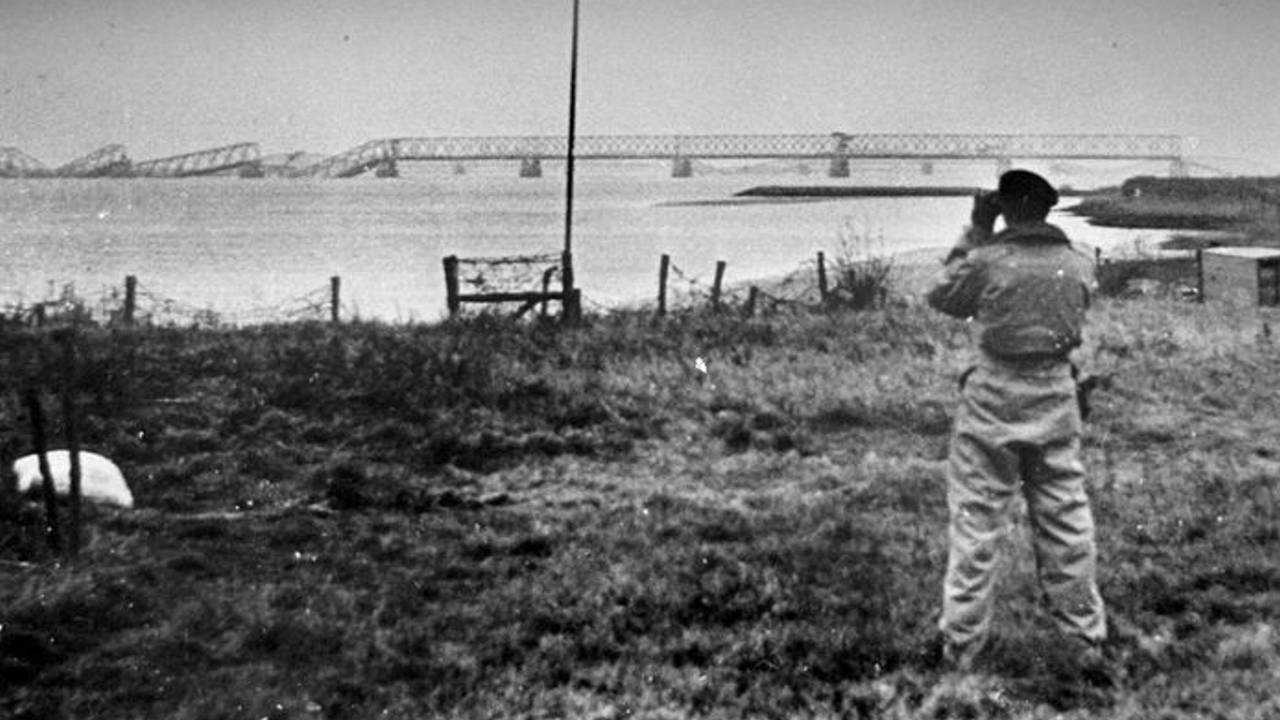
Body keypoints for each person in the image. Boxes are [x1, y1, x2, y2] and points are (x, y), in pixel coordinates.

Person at [926, 169, 1107, 670]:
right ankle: (1084, 641)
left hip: (992, 399)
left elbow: (943, 295)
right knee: (1066, 522)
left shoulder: (987, 261)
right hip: (1055, 396)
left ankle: (961, 648)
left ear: (1006, 207)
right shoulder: (1078, 264)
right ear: (1048, 209)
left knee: (976, 526)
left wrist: (977, 228)